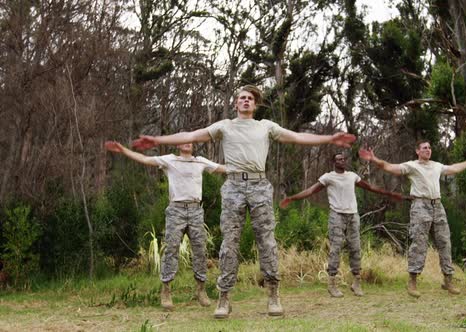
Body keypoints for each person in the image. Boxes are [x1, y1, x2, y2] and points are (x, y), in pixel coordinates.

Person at [132, 85, 356, 318]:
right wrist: (156, 139)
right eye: (242, 98)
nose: (246, 101)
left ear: (255, 104)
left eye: (250, 98)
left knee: (266, 241)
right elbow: (191, 135)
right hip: (233, 187)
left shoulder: (265, 126)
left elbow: (298, 137)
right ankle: (224, 298)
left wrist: (330, 137)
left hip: (259, 186)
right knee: (229, 243)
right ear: (236, 103)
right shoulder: (225, 126)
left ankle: (273, 296)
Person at [104, 141, 226, 311]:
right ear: (178, 144)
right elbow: (145, 159)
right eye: (182, 140)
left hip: (196, 210)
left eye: (189, 140)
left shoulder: (200, 162)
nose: (186, 143)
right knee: (171, 250)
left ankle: (201, 290)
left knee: (200, 251)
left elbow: (223, 168)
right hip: (176, 211)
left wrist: (248, 164)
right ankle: (166, 291)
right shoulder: (169, 160)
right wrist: (123, 150)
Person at [359, 141, 466, 298]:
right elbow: (390, 167)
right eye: (424, 148)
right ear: (417, 151)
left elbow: (454, 168)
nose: (428, 150)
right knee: (419, 243)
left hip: (437, 206)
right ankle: (412, 282)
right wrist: (374, 159)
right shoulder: (412, 166)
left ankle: (448, 280)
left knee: (445, 242)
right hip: (420, 206)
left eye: (430, 148)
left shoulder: (436, 166)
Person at [279, 152, 403, 298]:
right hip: (337, 216)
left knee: (355, 248)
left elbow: (369, 187)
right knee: (335, 249)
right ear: (334, 162)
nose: (342, 161)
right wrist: (292, 198)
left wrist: (389, 193)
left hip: (353, 215)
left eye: (344, 159)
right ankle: (332, 284)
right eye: (338, 159)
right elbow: (311, 190)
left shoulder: (352, 176)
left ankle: (356, 283)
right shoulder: (328, 177)